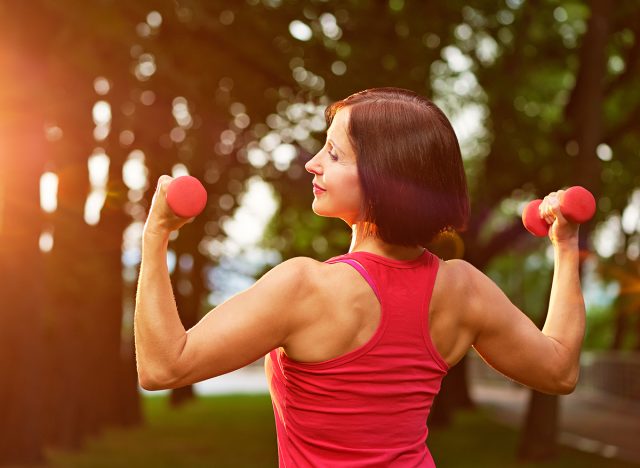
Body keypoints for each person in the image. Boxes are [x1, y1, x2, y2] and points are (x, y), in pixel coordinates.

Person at [135, 87, 586, 467]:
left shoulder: (304, 287)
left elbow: (163, 366)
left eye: (333, 153)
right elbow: (560, 371)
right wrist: (565, 246)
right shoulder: (463, 289)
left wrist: (155, 235)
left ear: (381, 178)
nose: (313, 163)